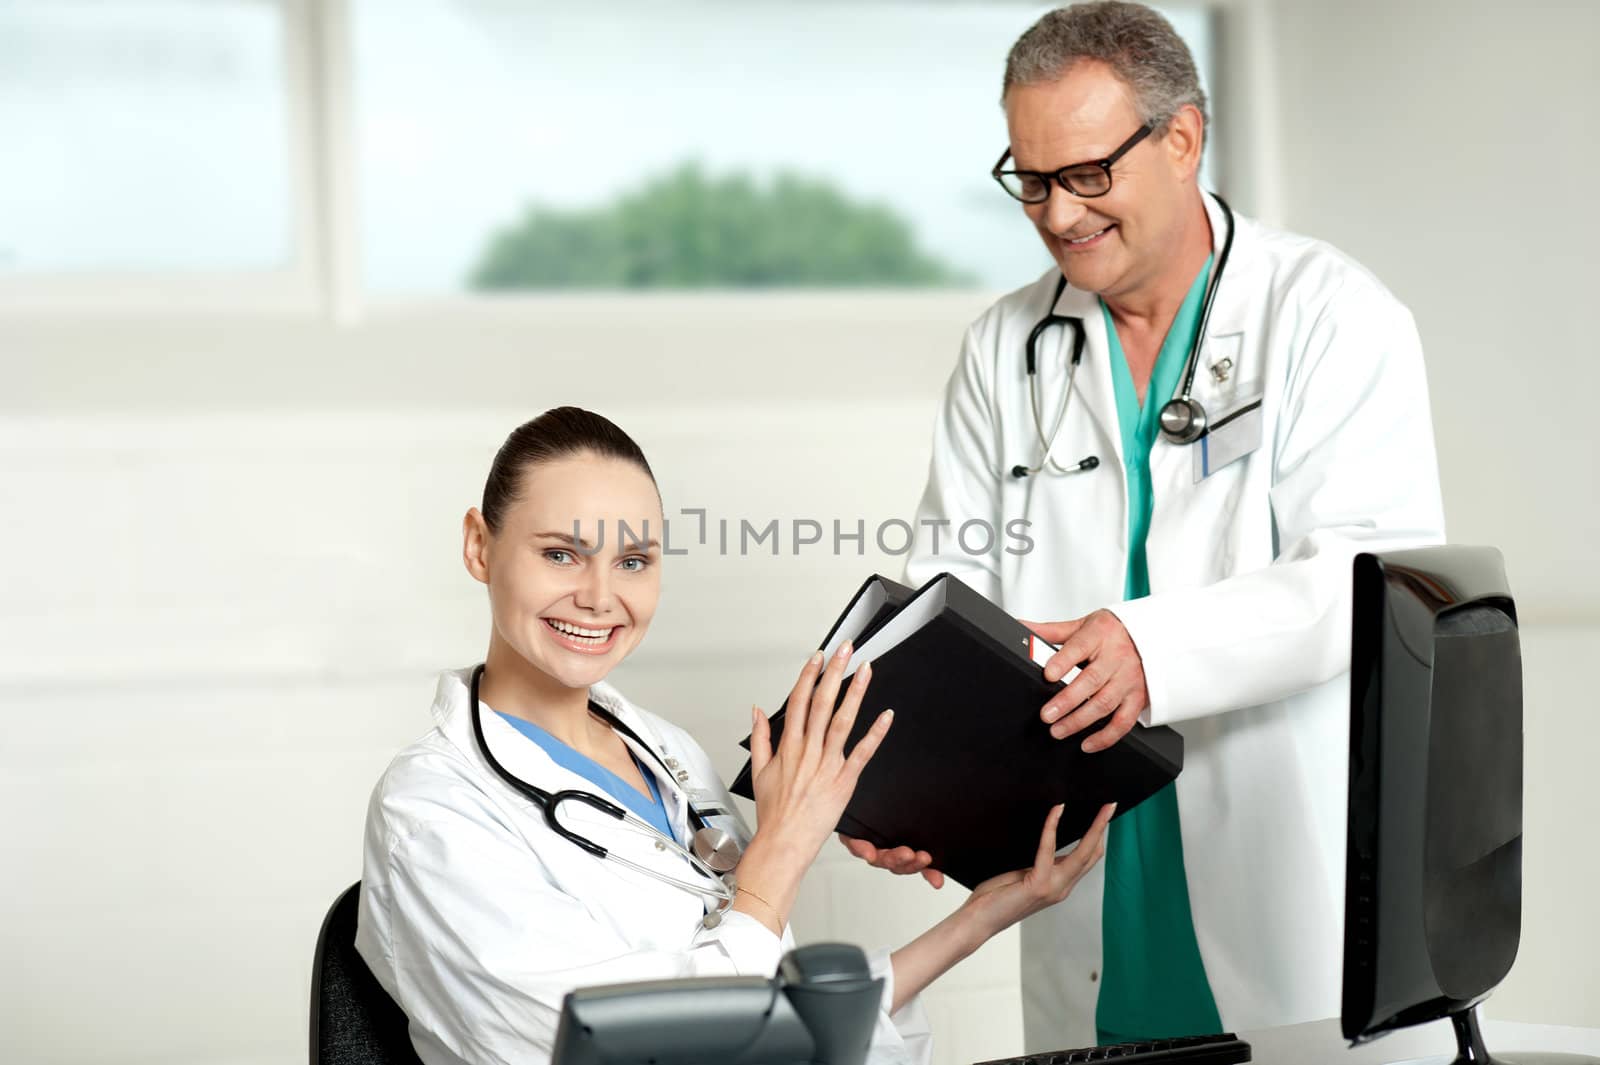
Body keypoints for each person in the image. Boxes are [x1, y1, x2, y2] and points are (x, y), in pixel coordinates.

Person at [839, 1, 1446, 1051]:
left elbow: (1366, 575)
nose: (1057, 216)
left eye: (1086, 175)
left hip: (1280, 851)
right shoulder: (1005, 347)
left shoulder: (1329, 317)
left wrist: (1148, 648)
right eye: (1029, 180)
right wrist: (913, 789)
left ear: (1181, 140)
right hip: (1080, 865)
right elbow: (948, 593)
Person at [355, 406, 1116, 1065]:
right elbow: (612, 1049)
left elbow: (777, 1019)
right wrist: (784, 844)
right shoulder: (429, 810)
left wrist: (983, 912)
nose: (598, 596)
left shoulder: (669, 754)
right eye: (560, 553)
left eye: (633, 561)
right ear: (479, 546)